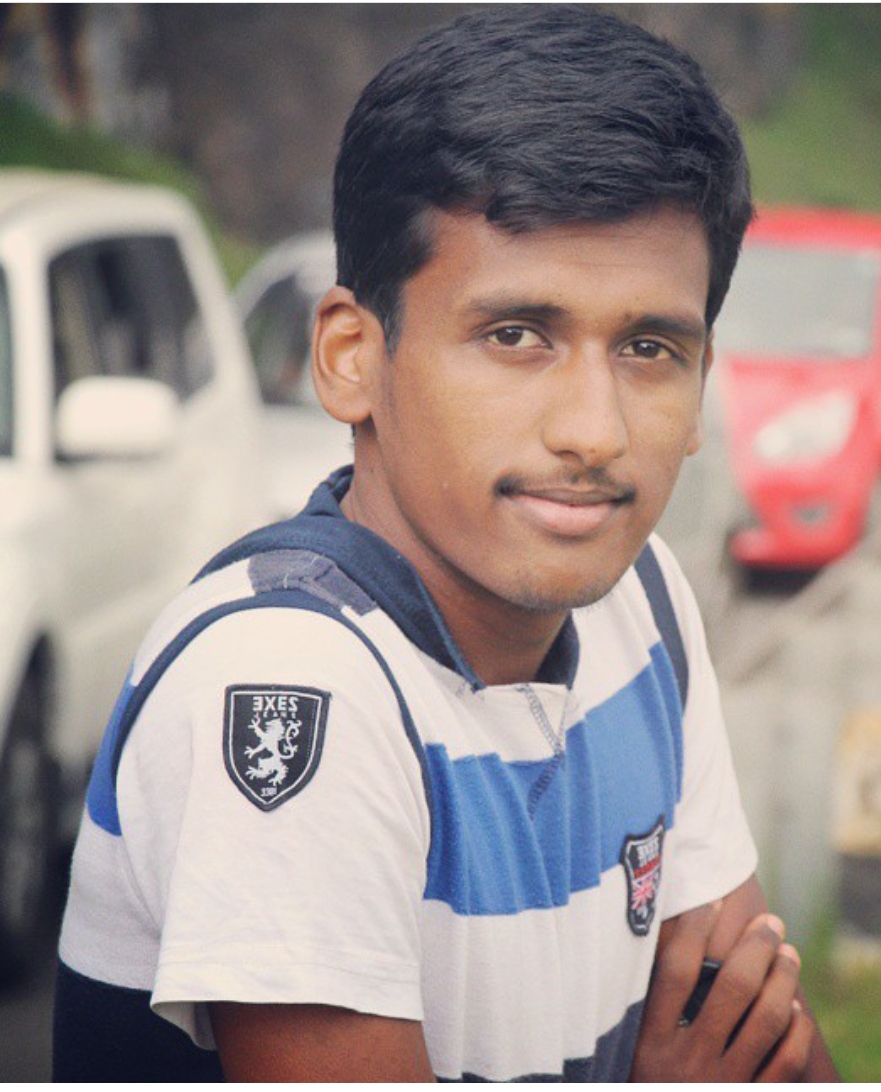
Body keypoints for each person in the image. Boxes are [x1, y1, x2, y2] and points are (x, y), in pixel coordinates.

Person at [53, 5, 839, 1082]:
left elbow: (769, 1045)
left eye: (650, 348)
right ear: (351, 357)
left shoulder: (641, 601)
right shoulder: (297, 685)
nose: (595, 432)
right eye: (516, 335)